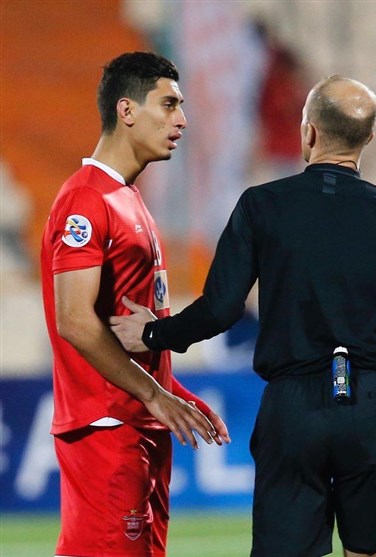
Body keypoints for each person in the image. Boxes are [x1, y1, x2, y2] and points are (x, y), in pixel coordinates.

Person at [110, 75, 376, 557]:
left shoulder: (261, 206)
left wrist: (153, 333)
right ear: (368, 139)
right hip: (372, 404)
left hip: (294, 405)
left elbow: (221, 309)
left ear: (309, 132)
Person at [40, 52, 230, 557]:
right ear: (126, 110)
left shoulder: (127, 197)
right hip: (107, 427)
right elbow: (74, 319)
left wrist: (172, 392)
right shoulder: (86, 200)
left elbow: (125, 327)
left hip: (138, 422)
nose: (181, 120)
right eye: (168, 105)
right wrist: (154, 394)